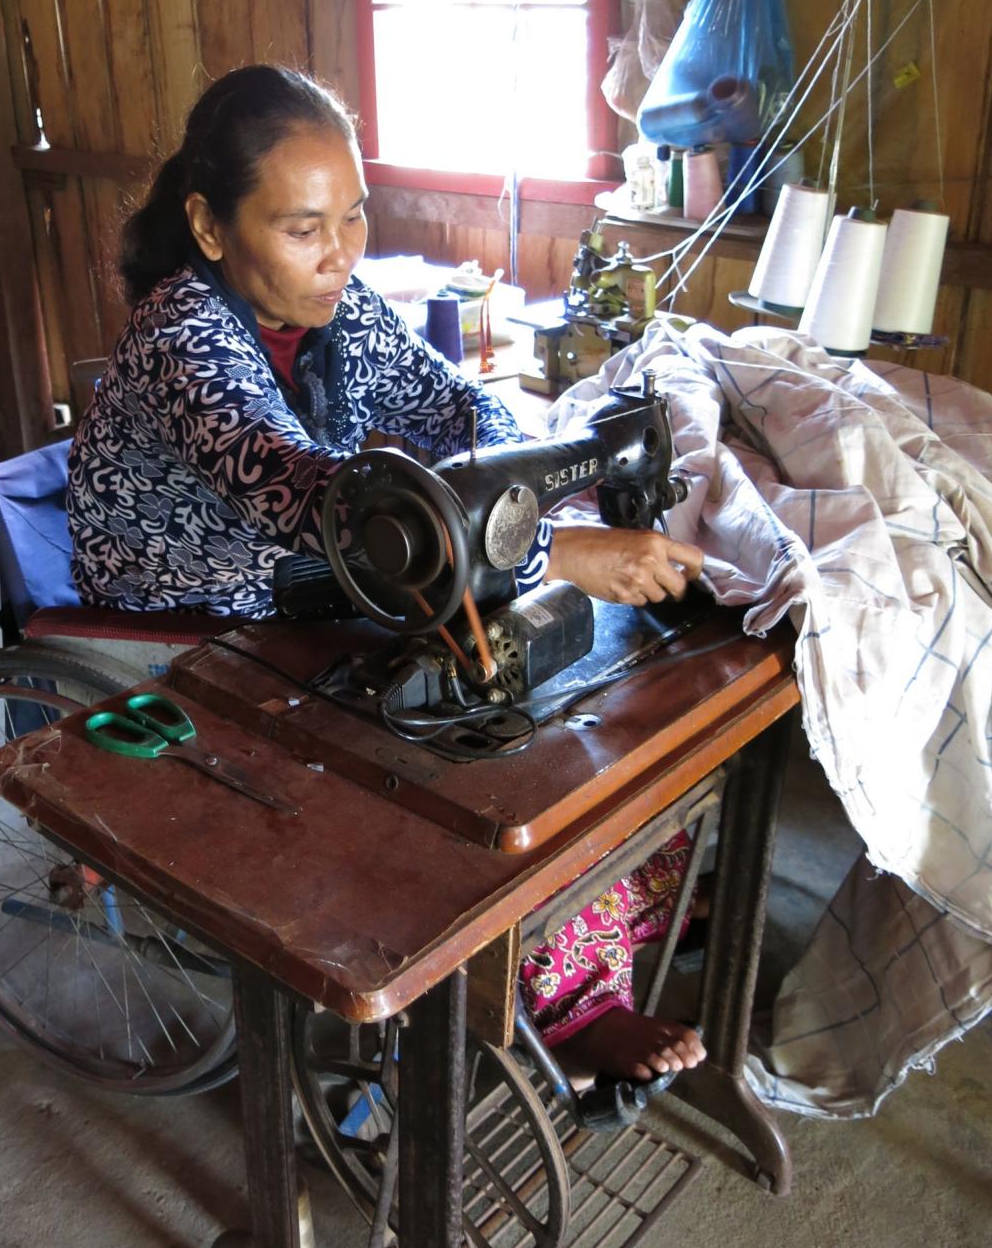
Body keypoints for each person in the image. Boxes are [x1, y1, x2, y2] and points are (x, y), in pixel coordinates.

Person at [68, 64, 706, 1085]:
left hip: (316, 552)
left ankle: (582, 936)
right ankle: (550, 985)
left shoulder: (340, 301)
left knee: (521, 680)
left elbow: (461, 405)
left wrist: (514, 482)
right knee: (451, 720)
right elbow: (308, 501)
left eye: (356, 219)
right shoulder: (178, 336)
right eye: (305, 228)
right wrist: (558, 546)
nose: (339, 257)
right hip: (197, 568)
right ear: (209, 223)